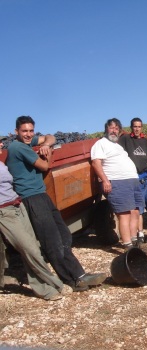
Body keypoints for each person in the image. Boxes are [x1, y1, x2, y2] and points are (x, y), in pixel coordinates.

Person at [6, 116, 106, 292]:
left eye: (31, 131)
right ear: (16, 132)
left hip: (41, 195)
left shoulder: (28, 143)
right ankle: (72, 279)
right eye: (24, 131)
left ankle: (76, 274)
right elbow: (45, 166)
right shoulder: (17, 147)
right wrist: (49, 153)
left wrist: (46, 144)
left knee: (64, 235)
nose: (29, 135)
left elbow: (50, 136)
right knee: (51, 241)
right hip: (31, 198)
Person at [0, 141, 72, 300]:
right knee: (29, 249)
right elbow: (44, 166)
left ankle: (41, 287)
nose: (1, 143)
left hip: (17, 206)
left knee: (31, 248)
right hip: (4, 212)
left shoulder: (1, 163)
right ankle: (56, 284)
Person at [91, 118, 144, 251]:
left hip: (132, 181)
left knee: (135, 212)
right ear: (106, 129)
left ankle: (134, 242)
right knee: (124, 215)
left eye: (116, 128)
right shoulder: (100, 144)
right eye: (111, 127)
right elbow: (96, 163)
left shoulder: (118, 145)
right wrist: (105, 180)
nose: (114, 130)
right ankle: (128, 247)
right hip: (118, 182)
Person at [118, 117, 147, 241]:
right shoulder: (125, 139)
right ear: (131, 127)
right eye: (135, 126)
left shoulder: (145, 141)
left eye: (139, 127)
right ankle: (140, 233)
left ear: (142, 128)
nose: (137, 129)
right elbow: (119, 155)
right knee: (138, 206)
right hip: (133, 177)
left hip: (146, 175)